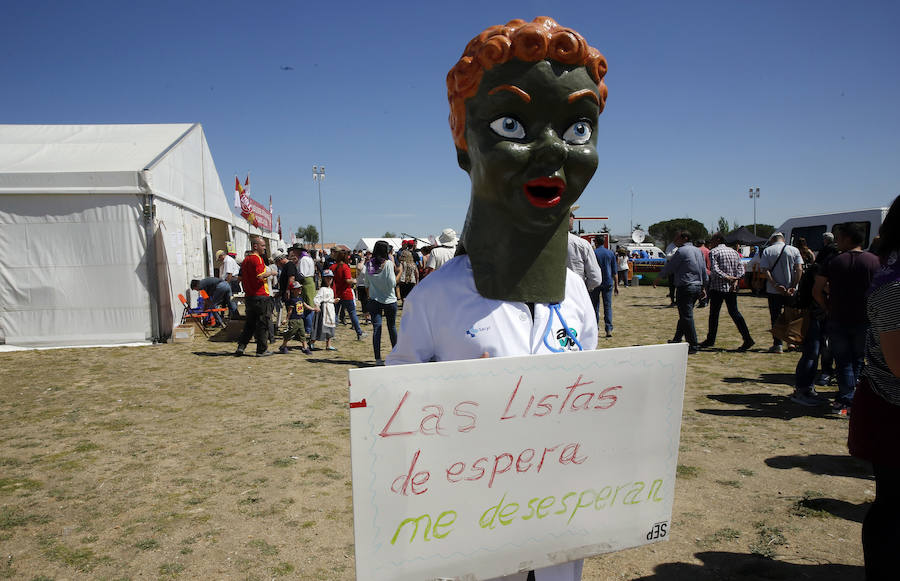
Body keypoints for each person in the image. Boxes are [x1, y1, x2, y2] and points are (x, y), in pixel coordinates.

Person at [387, 16, 605, 581]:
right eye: (513, 124)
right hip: (471, 544)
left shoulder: (577, 296)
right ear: (464, 138)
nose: (553, 150)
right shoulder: (433, 301)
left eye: (578, 128)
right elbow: (395, 440)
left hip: (559, 536)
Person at [845, 195, 900, 580]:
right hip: (890, 408)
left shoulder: (884, 274)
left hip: (848, 334)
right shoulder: (892, 285)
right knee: (893, 509)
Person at [813, 222, 881, 412]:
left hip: (838, 318)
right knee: (858, 359)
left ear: (848, 238)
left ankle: (846, 397)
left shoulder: (834, 262)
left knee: (843, 361)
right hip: (865, 319)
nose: (837, 241)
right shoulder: (874, 262)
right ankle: (850, 396)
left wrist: (827, 308)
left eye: (840, 238)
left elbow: (817, 290)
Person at [654, 231, 708, 354]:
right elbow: (703, 270)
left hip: (685, 286)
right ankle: (677, 339)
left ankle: (693, 346)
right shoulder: (698, 251)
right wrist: (704, 287)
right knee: (685, 314)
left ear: (684, 238)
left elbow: (670, 266)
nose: (675, 241)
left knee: (687, 316)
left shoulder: (681, 251)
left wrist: (658, 278)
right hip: (697, 286)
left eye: (677, 238)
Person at [699, 234, 754, 351]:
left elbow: (715, 269)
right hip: (732, 289)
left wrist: (727, 277)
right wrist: (735, 279)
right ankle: (747, 338)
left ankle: (711, 339)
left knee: (714, 315)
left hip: (718, 288)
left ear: (718, 240)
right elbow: (741, 269)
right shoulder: (734, 252)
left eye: (712, 240)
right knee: (735, 313)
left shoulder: (713, 252)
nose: (710, 242)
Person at [759, 232, 804, 353]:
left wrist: (775, 285)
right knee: (792, 316)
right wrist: (793, 285)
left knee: (775, 316)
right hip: (791, 290)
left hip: (774, 290)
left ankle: (777, 344)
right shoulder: (793, 250)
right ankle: (792, 342)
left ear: (773, 239)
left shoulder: (768, 251)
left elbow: (765, 270)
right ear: (783, 239)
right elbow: (799, 269)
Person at [235, 235, 273, 357]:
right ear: (255, 246)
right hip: (260, 295)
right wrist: (272, 272)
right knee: (262, 323)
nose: (264, 248)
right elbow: (260, 276)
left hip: (250, 296)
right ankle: (261, 349)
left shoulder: (246, 260)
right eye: (263, 246)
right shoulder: (257, 259)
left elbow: (240, 278)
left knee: (249, 324)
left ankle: (241, 347)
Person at [365, 240, 400, 365]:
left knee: (377, 329)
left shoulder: (369, 264)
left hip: (375, 300)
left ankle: (378, 358)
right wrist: (399, 272)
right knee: (392, 328)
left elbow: (367, 284)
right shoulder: (389, 264)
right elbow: (392, 283)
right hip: (389, 300)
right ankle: (396, 355)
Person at [566, 206, 603, 294]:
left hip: (547, 301)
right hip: (576, 296)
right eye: (571, 215)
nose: (573, 217)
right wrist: (581, 288)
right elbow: (596, 279)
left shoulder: (542, 244)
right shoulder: (582, 244)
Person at [332, 249, 365, 340]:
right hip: (346, 293)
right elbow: (347, 280)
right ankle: (359, 333)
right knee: (352, 313)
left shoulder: (333, 267)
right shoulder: (345, 267)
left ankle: (331, 334)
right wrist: (355, 280)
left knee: (334, 314)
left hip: (336, 294)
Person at [278, 281, 316, 355]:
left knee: (302, 334)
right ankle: (283, 346)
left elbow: (305, 305)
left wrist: (313, 309)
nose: (300, 290)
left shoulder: (300, 299)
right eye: (297, 289)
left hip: (300, 320)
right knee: (290, 333)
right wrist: (286, 319)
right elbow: (290, 311)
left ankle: (305, 347)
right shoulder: (292, 300)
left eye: (300, 288)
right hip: (293, 320)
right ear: (293, 290)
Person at [590, 238, 617, 337]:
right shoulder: (610, 253)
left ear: (596, 242)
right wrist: (617, 286)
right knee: (607, 306)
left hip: (596, 282)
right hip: (608, 282)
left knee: (594, 306)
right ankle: (608, 328)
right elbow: (614, 271)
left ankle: (595, 328)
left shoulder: (593, 253)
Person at [312, 269, 338, 351]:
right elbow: (317, 298)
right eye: (327, 278)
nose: (329, 280)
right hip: (324, 309)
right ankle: (312, 341)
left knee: (330, 327)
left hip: (330, 309)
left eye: (330, 278)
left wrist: (334, 301)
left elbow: (330, 299)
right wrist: (317, 305)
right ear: (324, 279)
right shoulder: (322, 289)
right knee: (321, 326)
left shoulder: (331, 290)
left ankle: (328, 344)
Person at [216, 250, 241, 316]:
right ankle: (232, 313)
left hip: (232, 281)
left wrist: (226, 283)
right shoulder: (227, 261)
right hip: (231, 280)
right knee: (228, 298)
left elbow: (229, 273)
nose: (220, 260)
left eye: (219, 258)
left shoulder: (228, 261)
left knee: (231, 298)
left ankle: (235, 314)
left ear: (221, 256)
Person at [397, 242, 419, 306]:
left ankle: (405, 305)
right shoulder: (413, 264)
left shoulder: (401, 264)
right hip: (412, 280)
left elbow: (398, 271)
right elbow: (417, 273)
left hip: (403, 280)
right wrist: (417, 281)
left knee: (403, 295)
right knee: (410, 294)